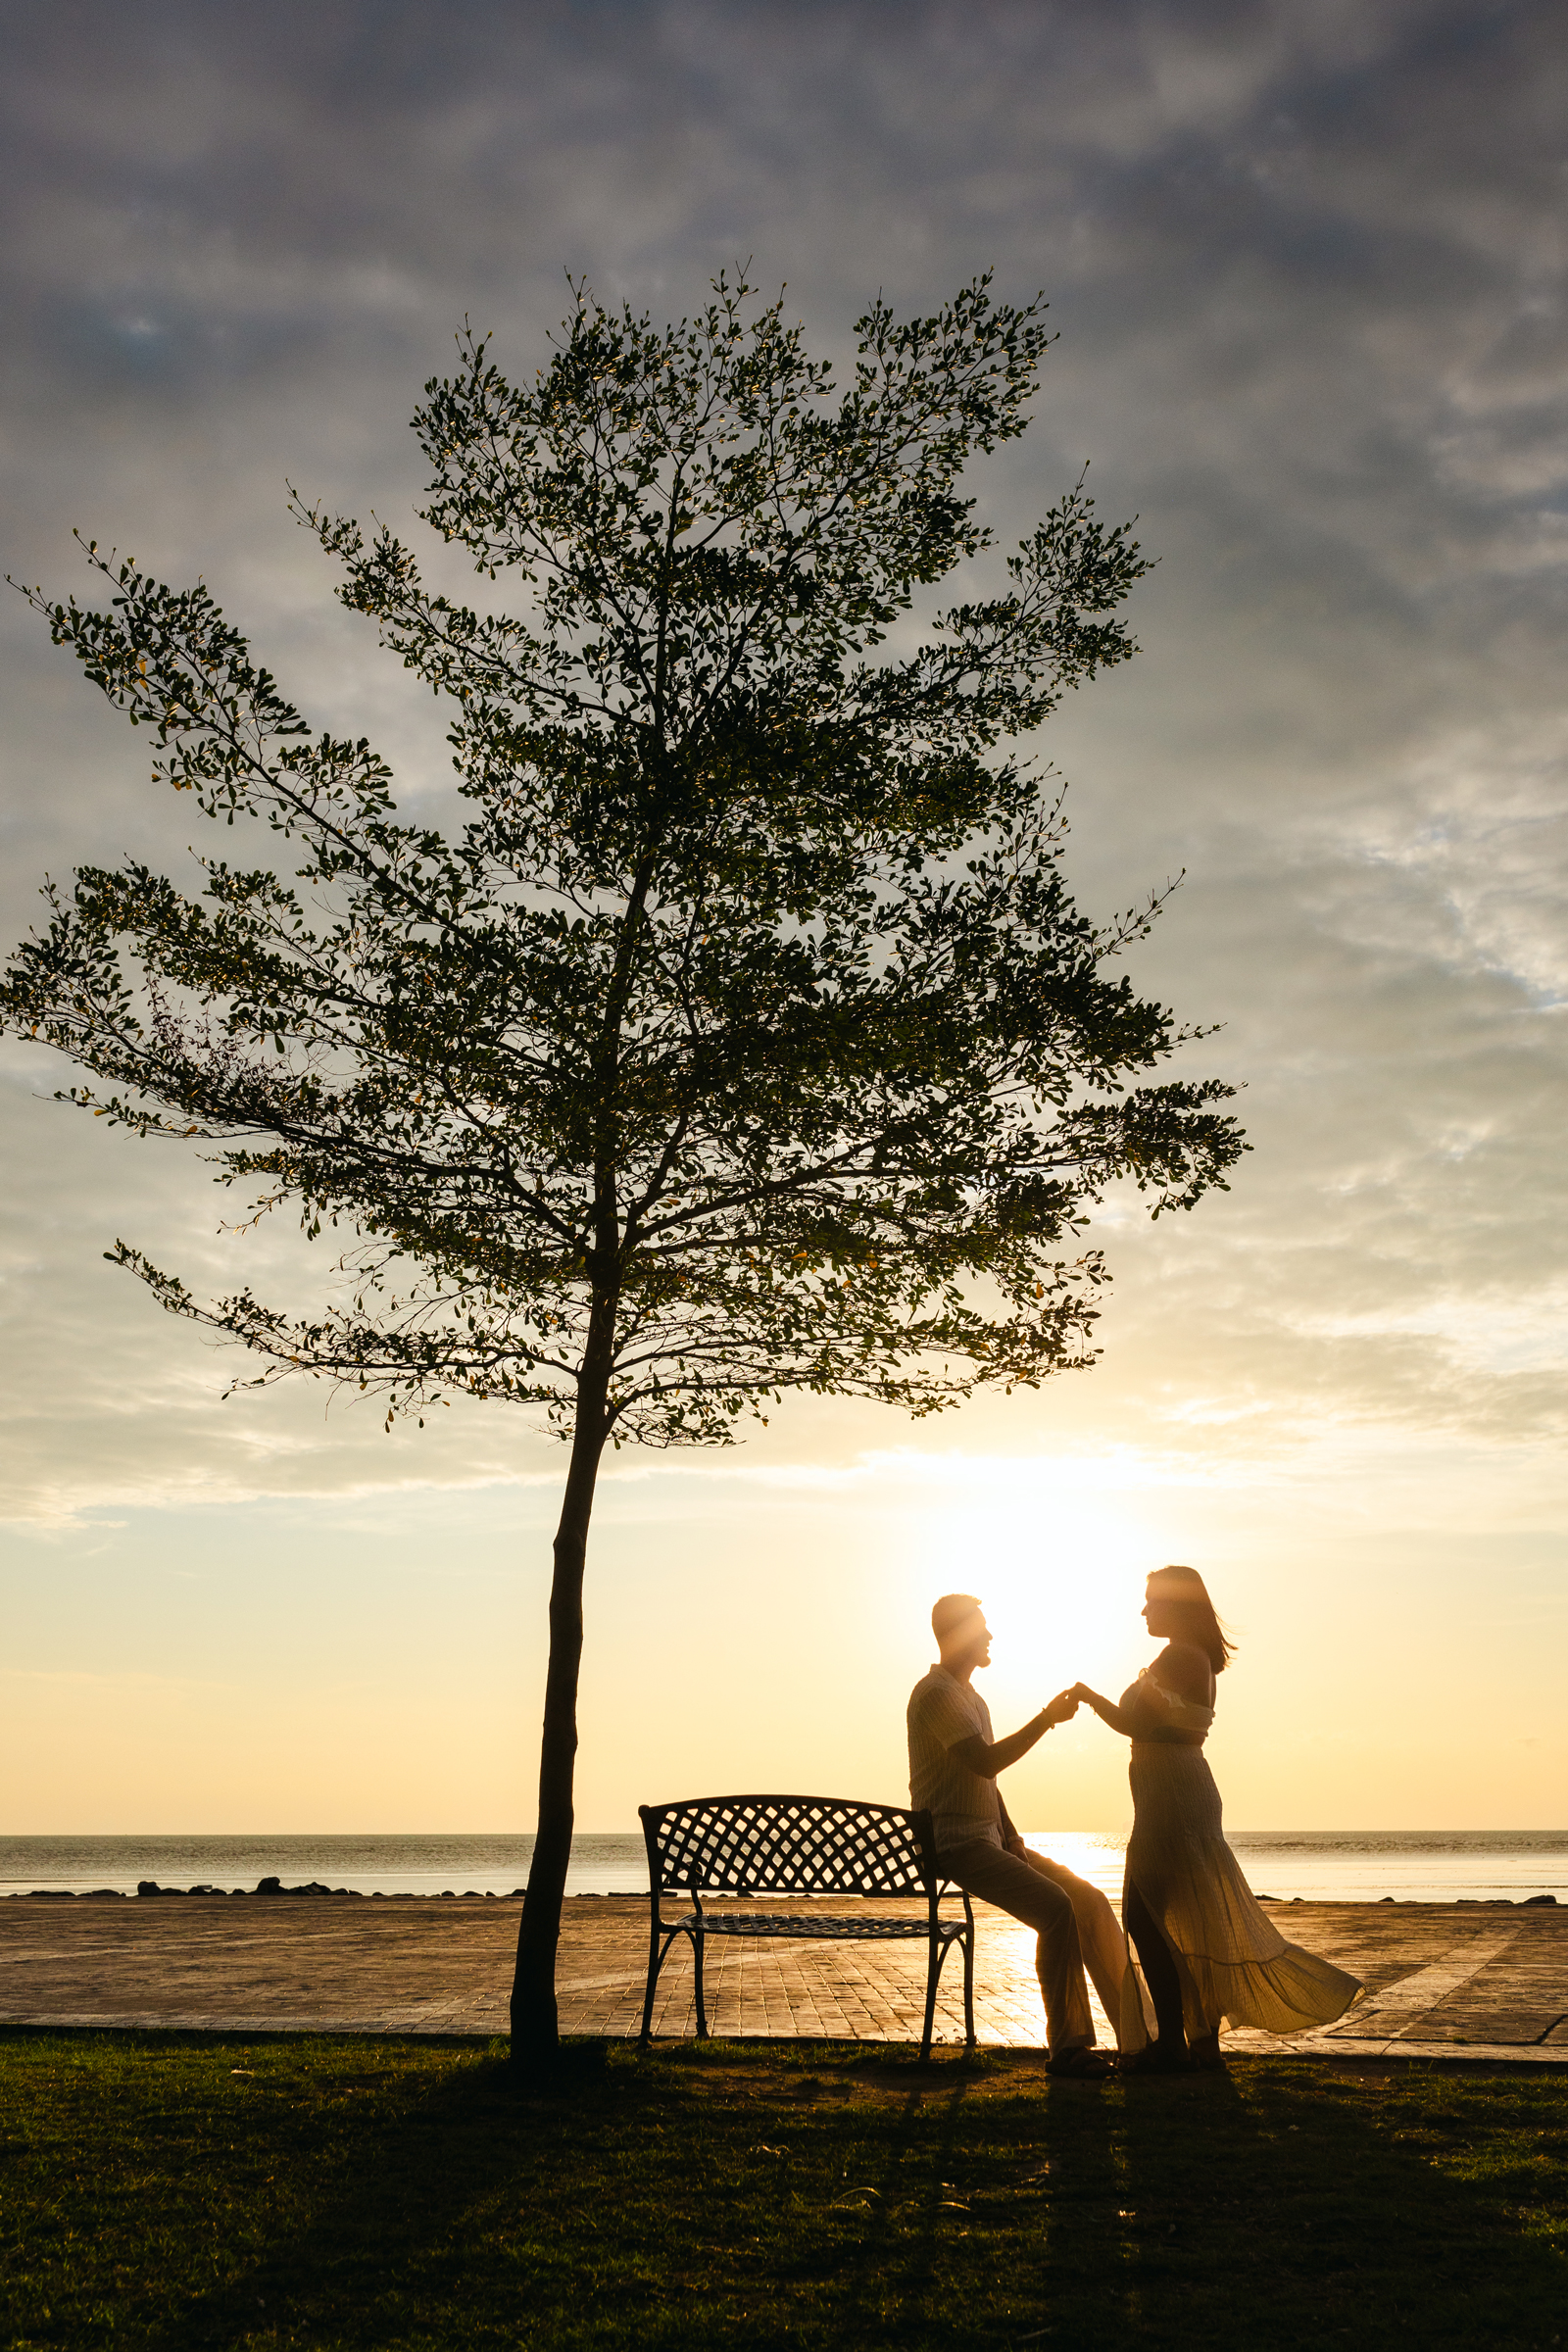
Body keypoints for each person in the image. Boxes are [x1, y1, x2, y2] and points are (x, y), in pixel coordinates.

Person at [1072, 1565, 1361, 2073]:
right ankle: (1196, 2040)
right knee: (1173, 1924)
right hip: (1176, 1794)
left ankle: (1175, 2046)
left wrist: (1086, 1696)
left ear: (1175, 1605)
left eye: (1149, 1601)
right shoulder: (1193, 1656)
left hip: (1172, 1800)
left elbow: (1137, 1722)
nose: (1142, 1610)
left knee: (1145, 1921)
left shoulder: (1179, 1655)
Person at [907, 1592, 1149, 2076]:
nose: (991, 1635)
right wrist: (1045, 1719)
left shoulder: (971, 1698)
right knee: (1057, 1909)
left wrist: (1011, 1835)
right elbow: (984, 1761)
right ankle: (1069, 2048)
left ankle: (1141, 2040)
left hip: (990, 1840)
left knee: (1089, 1900)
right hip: (955, 1845)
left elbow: (986, 1782)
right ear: (957, 1635)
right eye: (981, 1627)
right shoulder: (935, 1694)